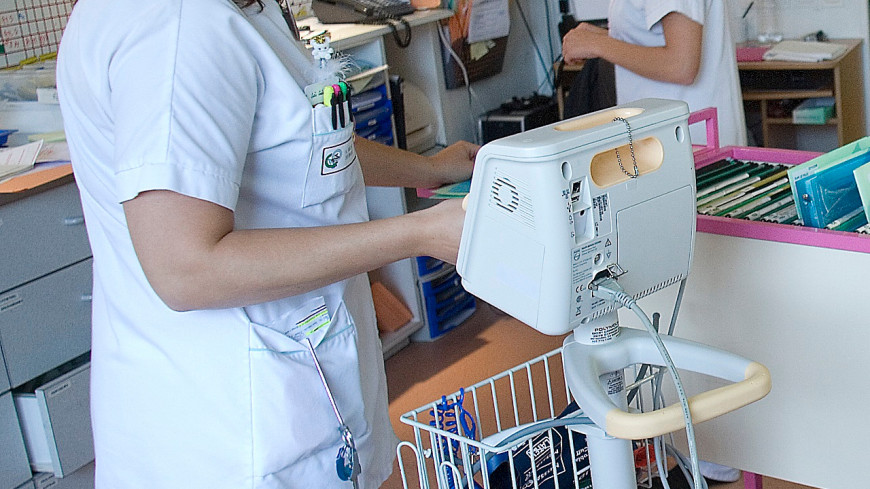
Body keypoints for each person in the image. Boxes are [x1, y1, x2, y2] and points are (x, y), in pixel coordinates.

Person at [56, 0, 477, 487]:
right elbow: (186, 268)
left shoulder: (228, 15)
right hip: (233, 427)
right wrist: (418, 233)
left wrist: (428, 169)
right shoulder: (178, 27)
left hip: (280, 385)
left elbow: (297, 140)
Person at [562, 0, 747, 147]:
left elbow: (681, 66)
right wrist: (606, 39)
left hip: (688, 140)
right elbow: (657, 39)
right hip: (665, 137)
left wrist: (598, 44)